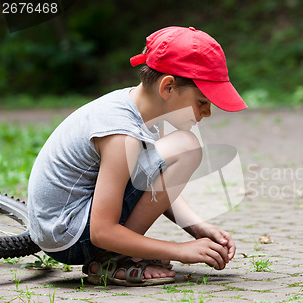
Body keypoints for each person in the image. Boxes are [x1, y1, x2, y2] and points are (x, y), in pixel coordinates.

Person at [27, 26, 247, 286]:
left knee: (184, 147)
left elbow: (152, 181)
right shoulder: (122, 133)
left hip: (67, 226)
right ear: (168, 87)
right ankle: (113, 259)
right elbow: (102, 232)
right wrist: (180, 250)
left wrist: (197, 226)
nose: (207, 112)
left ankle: (121, 252)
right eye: (202, 101)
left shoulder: (140, 108)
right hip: (70, 237)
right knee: (186, 146)